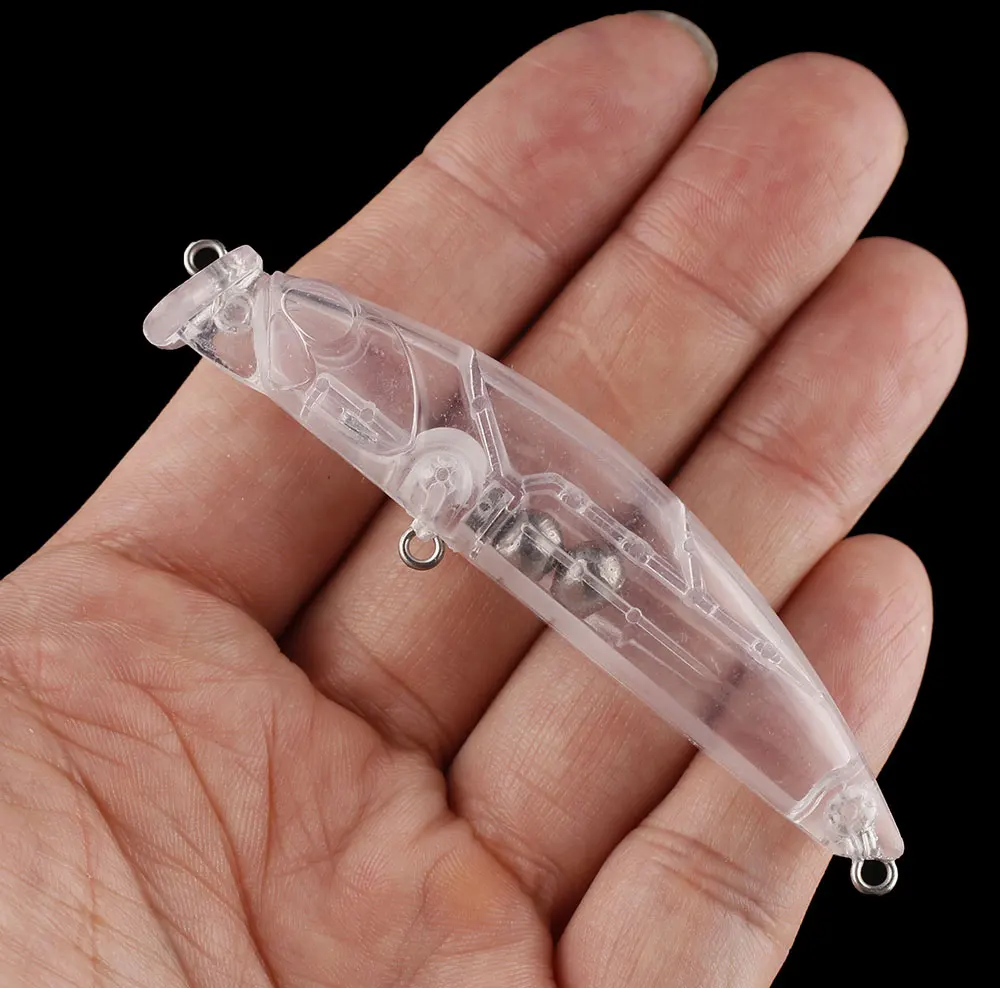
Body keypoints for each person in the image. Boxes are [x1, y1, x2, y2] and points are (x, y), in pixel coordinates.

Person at [0, 13, 966, 987]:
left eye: (224, 328)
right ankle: (840, 808)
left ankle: (843, 809)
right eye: (219, 331)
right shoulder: (303, 346)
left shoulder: (311, 332)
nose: (228, 341)